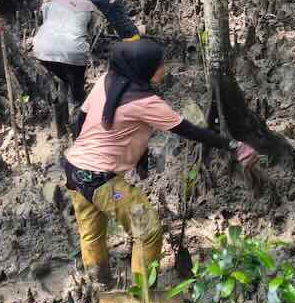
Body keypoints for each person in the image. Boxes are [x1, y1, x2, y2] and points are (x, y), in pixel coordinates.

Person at [62, 40, 258, 288]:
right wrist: (234, 146)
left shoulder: (106, 81)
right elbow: (188, 130)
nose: (163, 69)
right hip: (103, 182)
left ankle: (100, 288)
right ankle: (141, 295)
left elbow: (81, 119)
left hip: (74, 170)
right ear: (143, 68)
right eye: (159, 65)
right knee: (148, 229)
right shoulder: (146, 103)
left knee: (92, 234)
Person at [33, 0, 96, 117]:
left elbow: (43, 22)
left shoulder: (49, 2)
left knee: (57, 80)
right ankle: (77, 110)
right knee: (75, 85)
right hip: (73, 52)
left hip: (43, 49)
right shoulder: (89, 7)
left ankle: (58, 113)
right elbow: (89, 32)